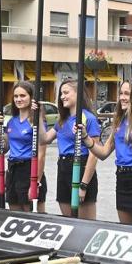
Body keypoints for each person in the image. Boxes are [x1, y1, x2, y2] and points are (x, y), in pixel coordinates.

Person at [84, 77, 132, 225]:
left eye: (127, 94)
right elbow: (104, 153)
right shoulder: (120, 121)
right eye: (121, 93)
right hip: (122, 178)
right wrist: (86, 138)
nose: (122, 98)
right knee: (126, 232)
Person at [45, 79, 100, 219]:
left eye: (66, 92)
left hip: (81, 166)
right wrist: (39, 116)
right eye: (61, 93)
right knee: (68, 220)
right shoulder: (62, 119)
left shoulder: (89, 118)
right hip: (63, 166)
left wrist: (84, 185)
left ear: (78, 94)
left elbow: (94, 154)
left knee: (85, 224)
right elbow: (44, 139)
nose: (62, 96)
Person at [0, 81, 46, 212]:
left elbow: (41, 154)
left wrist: (36, 182)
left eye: (23, 96)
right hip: (13, 169)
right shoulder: (12, 121)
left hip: (29, 168)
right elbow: (3, 147)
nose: (18, 99)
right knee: (14, 212)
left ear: (31, 97)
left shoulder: (36, 122)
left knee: (31, 213)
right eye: (16, 96)